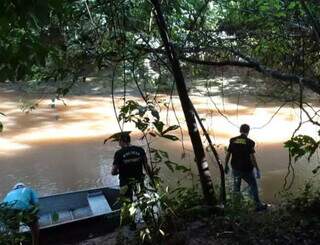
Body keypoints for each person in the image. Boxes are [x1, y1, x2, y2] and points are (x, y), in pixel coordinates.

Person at [224, 124, 267, 211]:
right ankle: (258, 205)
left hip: (235, 168)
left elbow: (228, 154)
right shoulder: (250, 142)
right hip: (247, 169)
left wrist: (226, 165)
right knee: (253, 185)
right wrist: (257, 169)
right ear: (248, 131)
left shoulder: (232, 140)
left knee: (236, 187)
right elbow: (252, 157)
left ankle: (236, 206)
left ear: (240, 130)